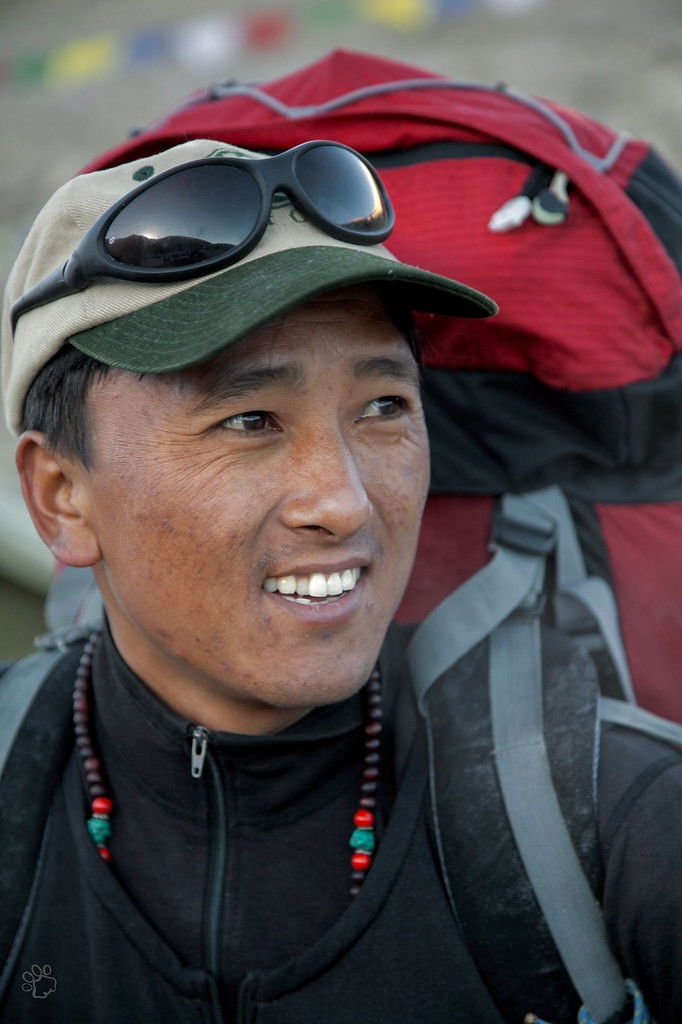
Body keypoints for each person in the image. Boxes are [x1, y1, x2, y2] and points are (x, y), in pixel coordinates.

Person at [0, 137, 680, 1024]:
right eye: (249, 418)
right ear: (62, 498)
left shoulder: (618, 819)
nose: (346, 502)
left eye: (384, 407)